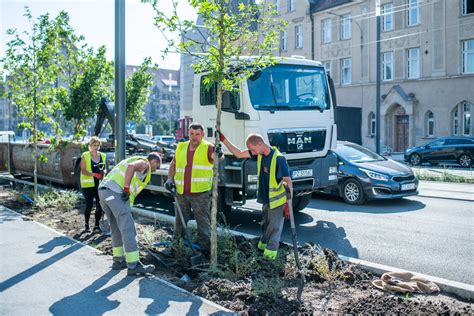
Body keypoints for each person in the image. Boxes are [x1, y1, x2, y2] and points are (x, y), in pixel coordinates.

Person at [217, 131, 292, 260]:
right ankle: (262, 249)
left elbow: (288, 181)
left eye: (252, 149)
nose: (252, 152)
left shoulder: (279, 159)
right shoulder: (259, 154)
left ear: (259, 144)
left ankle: (270, 257)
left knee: (274, 227)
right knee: (265, 224)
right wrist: (224, 140)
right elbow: (239, 154)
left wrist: (287, 204)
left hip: (278, 200)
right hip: (267, 198)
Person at [98, 152, 161, 276]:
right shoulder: (144, 162)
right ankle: (133, 265)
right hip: (116, 192)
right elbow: (131, 167)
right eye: (157, 166)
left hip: (104, 192)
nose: (156, 169)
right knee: (128, 228)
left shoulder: (130, 159)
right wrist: (126, 188)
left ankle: (118, 260)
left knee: (116, 228)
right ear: (153, 161)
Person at [165, 122, 223, 256]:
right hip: (181, 192)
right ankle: (176, 246)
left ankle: (205, 250)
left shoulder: (208, 147)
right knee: (180, 221)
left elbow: (217, 158)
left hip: (200, 194)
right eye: (191, 134)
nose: (194, 137)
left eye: (197, 134)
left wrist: (218, 154)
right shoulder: (181, 146)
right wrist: (169, 179)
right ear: (188, 134)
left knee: (202, 222)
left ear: (202, 135)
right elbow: (173, 164)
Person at [80, 136, 106, 233]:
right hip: (88, 185)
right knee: (89, 204)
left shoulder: (103, 156)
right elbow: (83, 171)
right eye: (94, 145)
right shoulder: (85, 155)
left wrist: (103, 172)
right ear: (90, 146)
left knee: (100, 205)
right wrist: (94, 174)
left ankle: (96, 225)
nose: (96, 147)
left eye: (98, 145)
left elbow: (104, 168)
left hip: (99, 184)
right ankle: (86, 225)